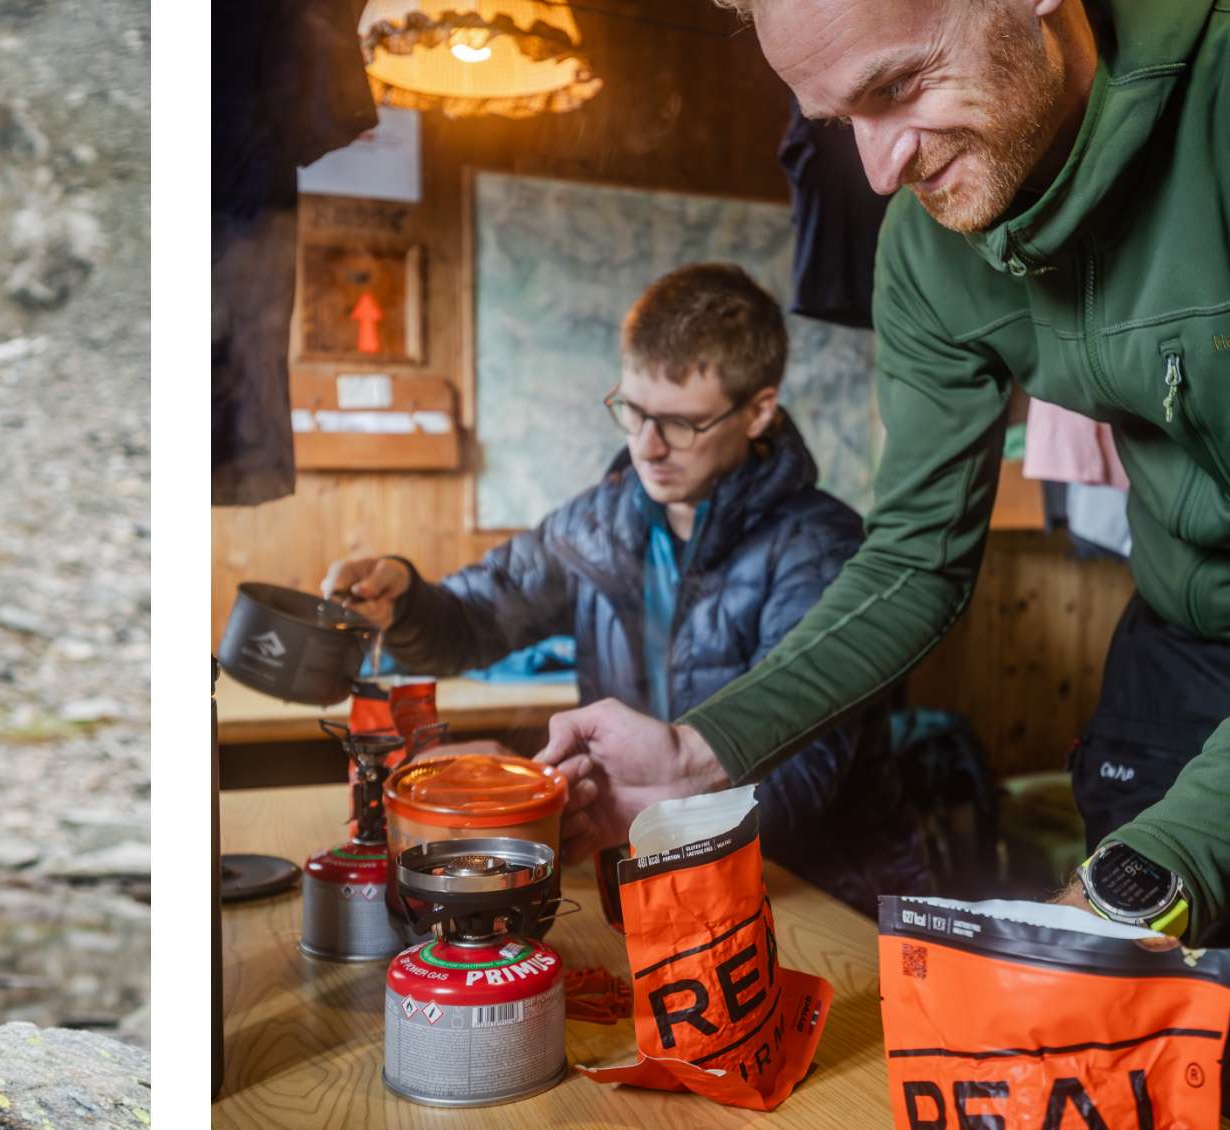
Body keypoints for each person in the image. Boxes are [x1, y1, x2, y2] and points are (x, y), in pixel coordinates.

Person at [542, 0, 1230, 941]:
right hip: (1184, 642)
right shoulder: (922, 245)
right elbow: (914, 557)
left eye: (900, 85)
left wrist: (1149, 877)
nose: (878, 171)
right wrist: (702, 750)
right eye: (841, 121)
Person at [324, 264, 920, 908]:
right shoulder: (596, 522)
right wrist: (405, 605)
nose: (647, 447)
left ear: (758, 411)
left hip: (811, 892)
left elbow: (799, 783)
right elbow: (472, 621)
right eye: (633, 412)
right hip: (650, 875)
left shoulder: (821, 548)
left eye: (681, 424)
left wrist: (618, 807)